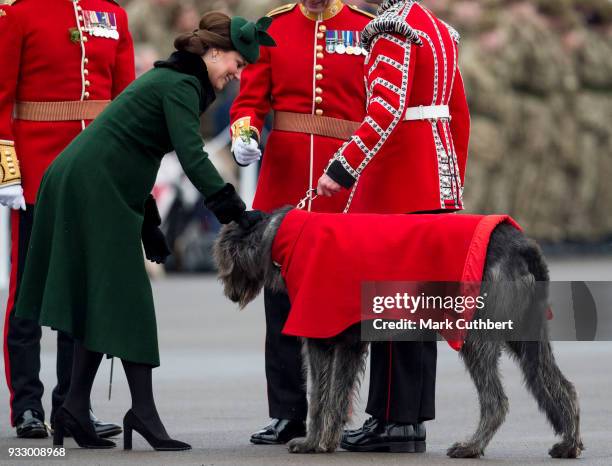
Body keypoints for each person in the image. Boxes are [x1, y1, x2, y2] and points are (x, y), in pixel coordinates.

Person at [14, 11, 274, 451]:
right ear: (212, 53)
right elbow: (191, 157)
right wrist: (233, 209)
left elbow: (138, 148)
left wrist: (148, 220)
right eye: (235, 63)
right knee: (128, 297)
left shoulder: (178, 82)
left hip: (96, 182)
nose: (237, 74)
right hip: (92, 187)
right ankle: (142, 412)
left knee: (100, 299)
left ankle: (75, 406)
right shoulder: (181, 85)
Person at [317, 0, 470, 452]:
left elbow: (385, 110)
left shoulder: (392, 29)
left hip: (399, 183)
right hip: (434, 182)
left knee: (392, 306)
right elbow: (458, 114)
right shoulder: (440, 31)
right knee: (421, 308)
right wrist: (450, 183)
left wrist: (342, 169)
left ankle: (391, 421)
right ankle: (411, 420)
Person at [229, 0, 374, 445]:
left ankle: (335, 410)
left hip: (343, 186)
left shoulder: (364, 27)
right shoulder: (273, 26)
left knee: (343, 307)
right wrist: (245, 135)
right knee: (280, 305)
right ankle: (287, 411)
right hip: (285, 184)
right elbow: (249, 101)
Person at [0, 0, 134, 439]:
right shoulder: (20, 13)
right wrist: (7, 166)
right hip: (37, 173)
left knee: (83, 296)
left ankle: (72, 406)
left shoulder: (111, 14)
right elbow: (2, 94)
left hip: (95, 174)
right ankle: (26, 406)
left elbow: (124, 99)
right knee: (29, 294)